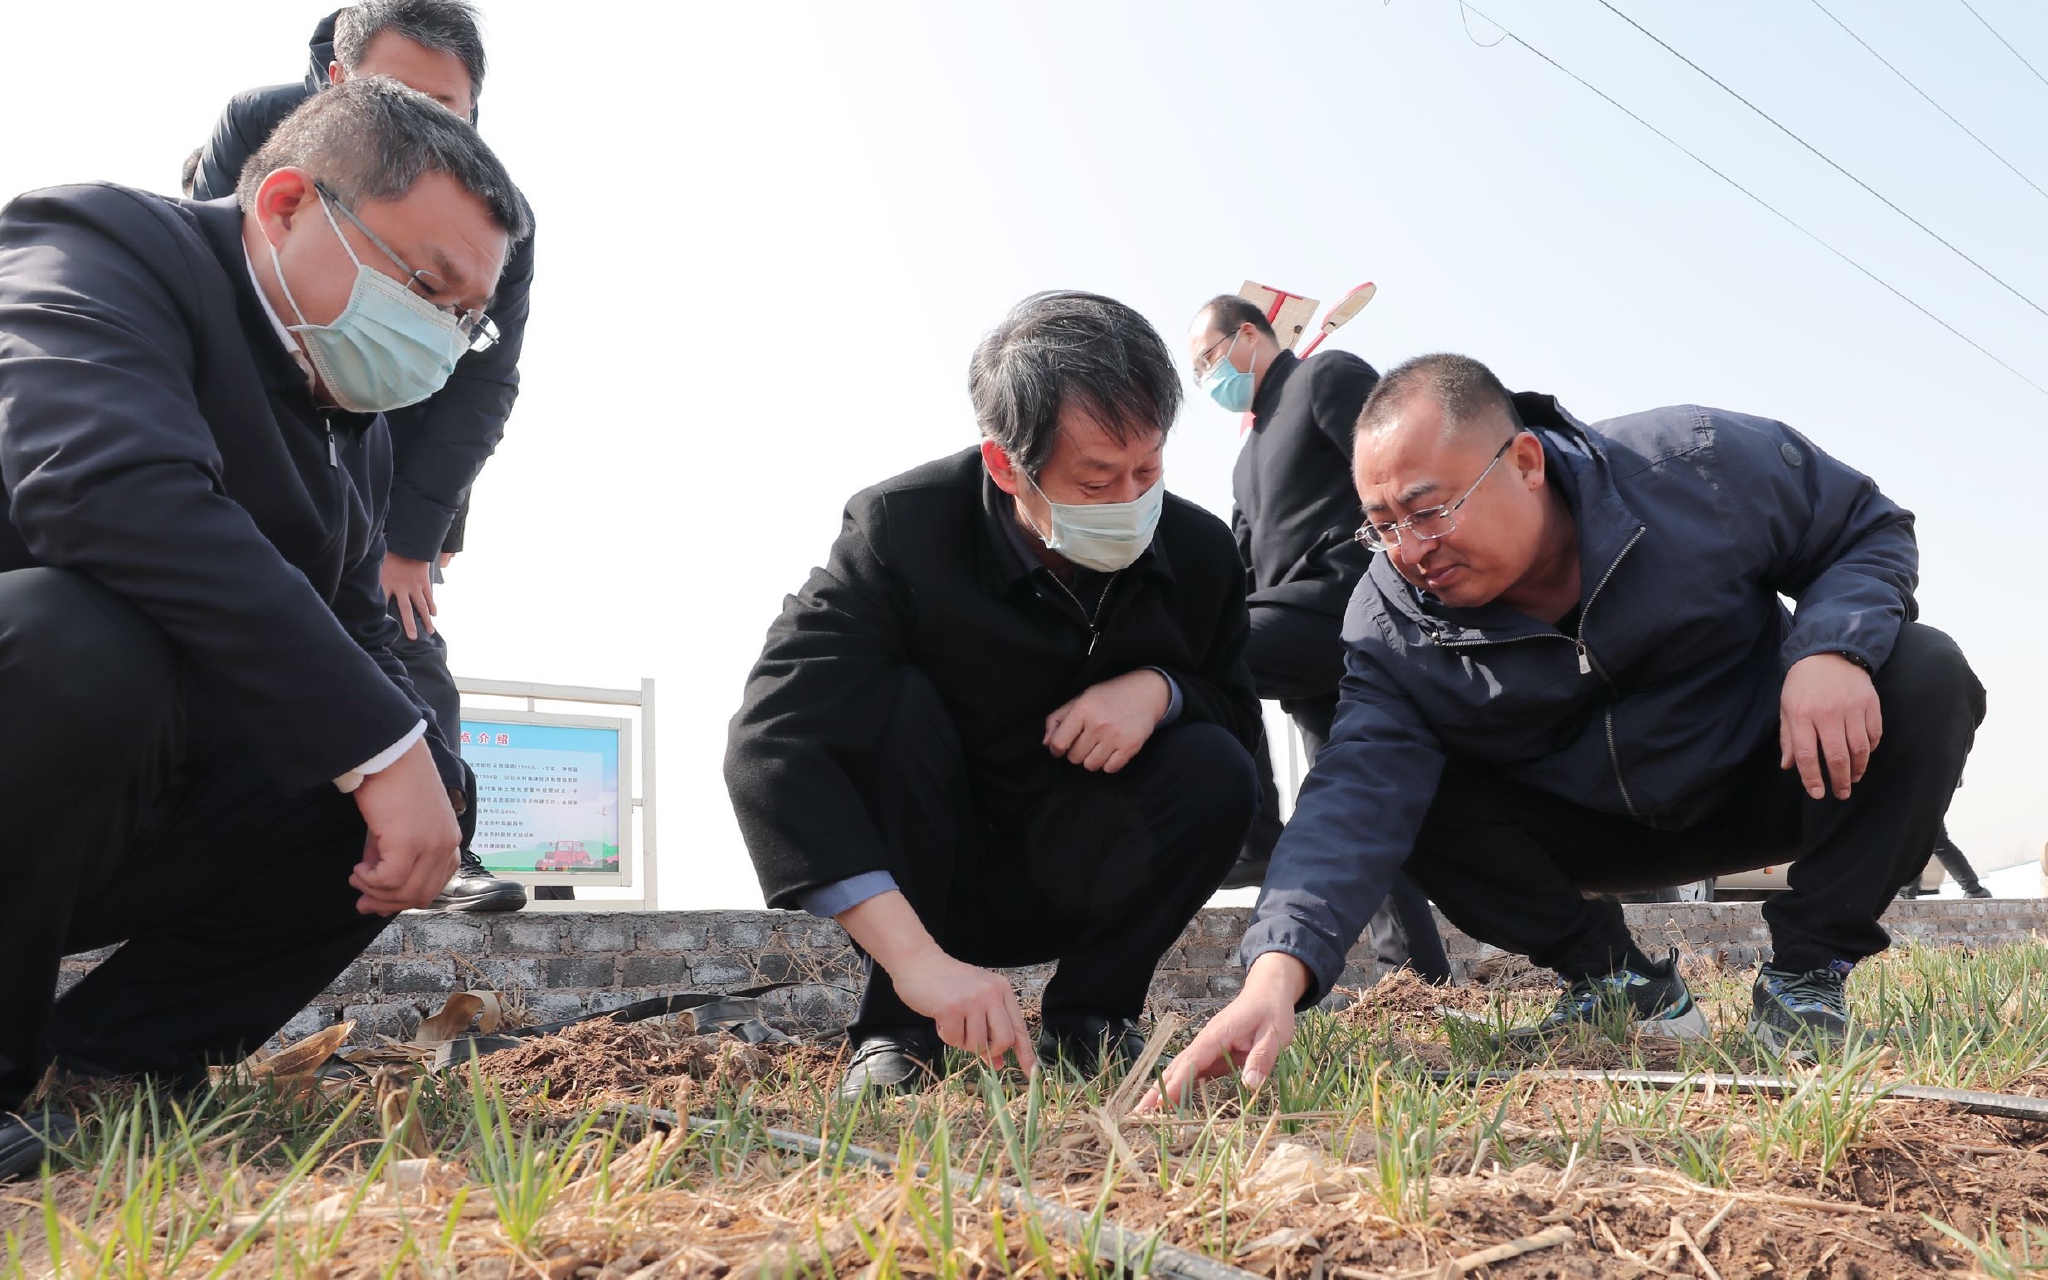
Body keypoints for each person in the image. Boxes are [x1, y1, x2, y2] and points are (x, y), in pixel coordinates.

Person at [1151, 354, 1983, 1104]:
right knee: (1400, 782)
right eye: (1383, 525)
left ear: (1523, 462)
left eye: (1429, 510)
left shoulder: (1694, 468)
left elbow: (1864, 528)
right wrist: (1274, 976)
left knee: (1923, 671)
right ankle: (1619, 983)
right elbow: (1353, 797)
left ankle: (1807, 980)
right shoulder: (1391, 617)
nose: (1410, 550)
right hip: (1579, 829)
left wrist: (1830, 648)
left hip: (1760, 775)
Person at [0, 77, 528, 1178]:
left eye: (459, 319)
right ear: (286, 201)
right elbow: (104, 490)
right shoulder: (99, 248)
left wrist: (418, 764)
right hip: (44, 716)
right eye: (422, 286)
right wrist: (374, 746)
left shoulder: (352, 428)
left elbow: (357, 630)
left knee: (416, 778)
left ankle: (119, 1057)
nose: (433, 336)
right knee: (81, 638)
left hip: (111, 802)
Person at [725, 291, 1262, 1099]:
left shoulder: (1200, 553)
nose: (1129, 504)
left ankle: (1095, 1015)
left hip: (1082, 861)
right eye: (1094, 480)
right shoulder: (899, 532)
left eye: (1147, 470)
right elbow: (770, 742)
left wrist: (1159, 692)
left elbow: (1236, 709)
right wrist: (916, 962)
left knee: (1215, 762)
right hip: (923, 876)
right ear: (1007, 465)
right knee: (893, 708)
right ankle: (896, 1030)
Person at [191, 0, 542, 909]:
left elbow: (483, 384)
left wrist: (413, 537)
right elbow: (221, 284)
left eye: (453, 109)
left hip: (397, 442)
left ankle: (444, 839)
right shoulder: (256, 124)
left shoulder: (500, 212)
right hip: (254, 407)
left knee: (394, 622)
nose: (430, 124)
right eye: (402, 95)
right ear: (340, 83)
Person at [1187, 295, 1451, 986]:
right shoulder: (1247, 458)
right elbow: (1240, 565)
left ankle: (1254, 838)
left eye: (1208, 359)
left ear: (1249, 335)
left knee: (1208, 652)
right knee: (1355, 809)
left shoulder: (1323, 378)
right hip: (1302, 652)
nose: (1207, 378)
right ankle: (1416, 980)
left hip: (1343, 601)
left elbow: (1395, 460)